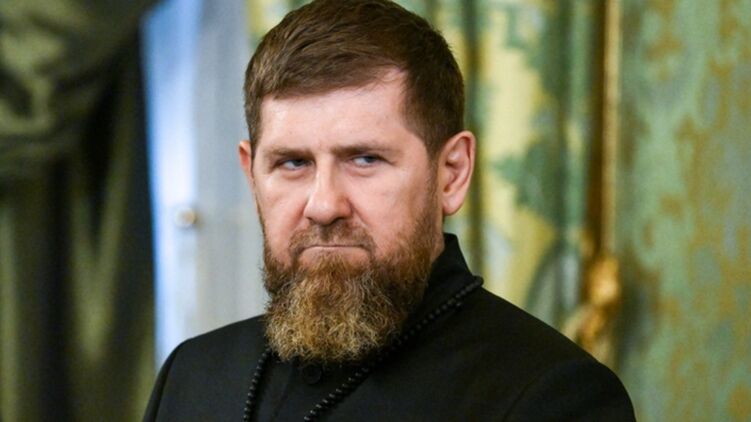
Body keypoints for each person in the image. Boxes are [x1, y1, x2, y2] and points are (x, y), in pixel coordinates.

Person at [143, 0, 635, 420]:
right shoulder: (192, 375)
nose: (324, 206)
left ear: (452, 173)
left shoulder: (552, 396)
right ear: (252, 177)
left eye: (365, 159)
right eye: (293, 163)